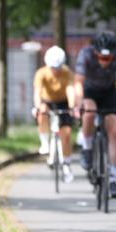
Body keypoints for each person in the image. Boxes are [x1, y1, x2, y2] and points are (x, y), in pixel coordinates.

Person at [74, 31, 116, 199]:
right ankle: (86, 148)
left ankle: (113, 178)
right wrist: (78, 104)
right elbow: (78, 82)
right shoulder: (85, 54)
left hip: (109, 91)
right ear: (95, 52)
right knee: (89, 113)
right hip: (89, 90)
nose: (104, 61)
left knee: (114, 130)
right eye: (101, 57)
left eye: (108, 59)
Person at [33, 46, 77, 183]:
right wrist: (38, 106)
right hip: (47, 101)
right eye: (53, 68)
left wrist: (72, 107)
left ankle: (67, 164)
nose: (56, 71)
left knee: (67, 134)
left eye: (58, 68)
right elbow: (37, 92)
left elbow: (71, 90)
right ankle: (45, 142)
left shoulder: (67, 72)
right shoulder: (41, 73)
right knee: (42, 113)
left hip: (63, 102)